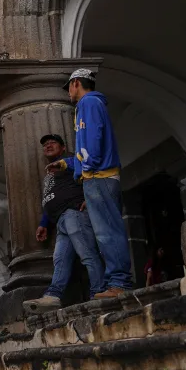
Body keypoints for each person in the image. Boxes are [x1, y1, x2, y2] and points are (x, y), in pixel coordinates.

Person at [47, 69, 133, 298]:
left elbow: (93, 139)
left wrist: (88, 167)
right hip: (98, 175)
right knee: (105, 232)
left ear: (76, 83)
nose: (68, 93)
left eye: (68, 88)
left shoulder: (88, 103)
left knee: (107, 232)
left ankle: (120, 283)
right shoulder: (90, 104)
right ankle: (115, 281)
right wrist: (67, 165)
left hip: (99, 176)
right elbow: (86, 146)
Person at [24, 134, 105, 314]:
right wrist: (44, 223)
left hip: (74, 213)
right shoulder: (49, 174)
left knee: (87, 254)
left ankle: (99, 291)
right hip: (59, 220)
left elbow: (90, 171)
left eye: (52, 143)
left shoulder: (69, 162)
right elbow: (50, 198)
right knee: (60, 259)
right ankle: (53, 296)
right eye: (45, 144)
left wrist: (89, 198)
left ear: (62, 147)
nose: (48, 145)